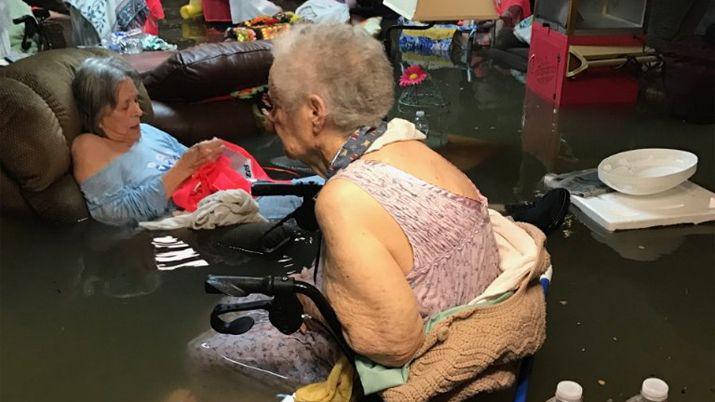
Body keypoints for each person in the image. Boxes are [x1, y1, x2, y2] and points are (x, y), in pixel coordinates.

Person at [187, 23, 503, 394]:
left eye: (274, 103)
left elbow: (393, 345)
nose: (270, 117)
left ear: (315, 112)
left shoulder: (345, 199)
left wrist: (312, 304)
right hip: (452, 310)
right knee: (237, 300)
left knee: (202, 351)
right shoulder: (409, 146)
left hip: (404, 363)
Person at [71, 57, 311, 226]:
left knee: (321, 188)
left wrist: (206, 155)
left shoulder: (146, 131)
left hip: (234, 195)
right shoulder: (90, 147)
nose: (138, 111)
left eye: (136, 101)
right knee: (321, 199)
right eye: (126, 106)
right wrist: (184, 167)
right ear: (99, 114)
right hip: (203, 219)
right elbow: (113, 216)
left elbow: (200, 170)